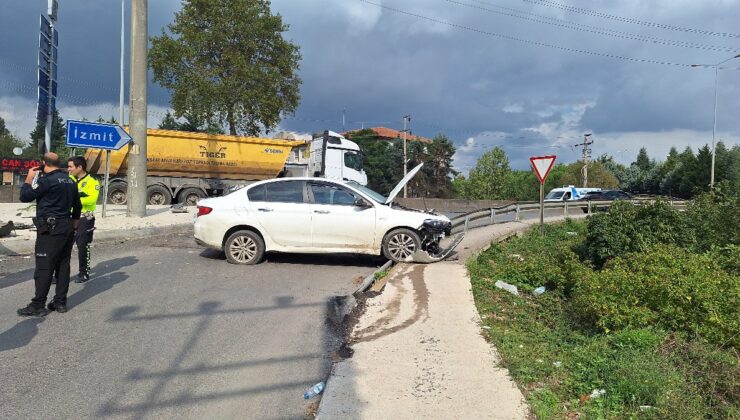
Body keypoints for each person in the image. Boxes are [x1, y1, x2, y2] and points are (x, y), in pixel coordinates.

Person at [17, 153, 81, 316]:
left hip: (50, 229)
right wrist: (74, 222)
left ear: (43, 163)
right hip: (66, 227)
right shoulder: (70, 181)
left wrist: (29, 178)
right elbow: (77, 205)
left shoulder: (46, 181)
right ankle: (60, 303)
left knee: (44, 266)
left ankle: (38, 305)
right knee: (63, 265)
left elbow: (25, 197)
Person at [65, 156, 100, 282]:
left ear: (79, 167)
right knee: (64, 247)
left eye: (70, 167)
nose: (68, 169)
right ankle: (60, 275)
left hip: (84, 218)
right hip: (69, 218)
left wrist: (72, 199)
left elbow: (91, 199)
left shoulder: (93, 180)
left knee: (82, 246)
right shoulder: (68, 180)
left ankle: (83, 272)